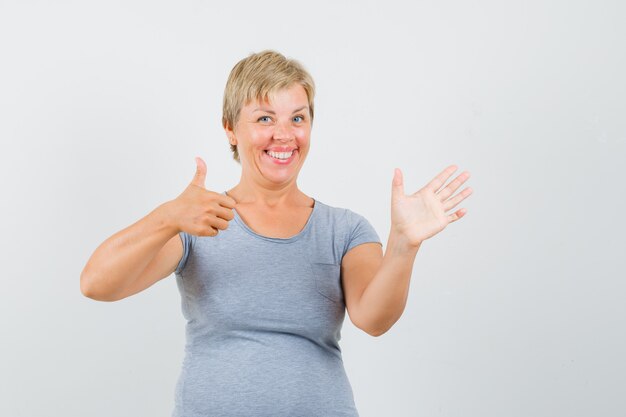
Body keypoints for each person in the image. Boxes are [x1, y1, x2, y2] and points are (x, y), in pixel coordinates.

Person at [80, 50, 473, 417]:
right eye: (265, 118)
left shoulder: (345, 229)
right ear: (231, 129)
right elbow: (97, 284)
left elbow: (374, 319)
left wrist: (404, 244)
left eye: (297, 118)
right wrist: (166, 217)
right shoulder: (198, 220)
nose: (284, 135)